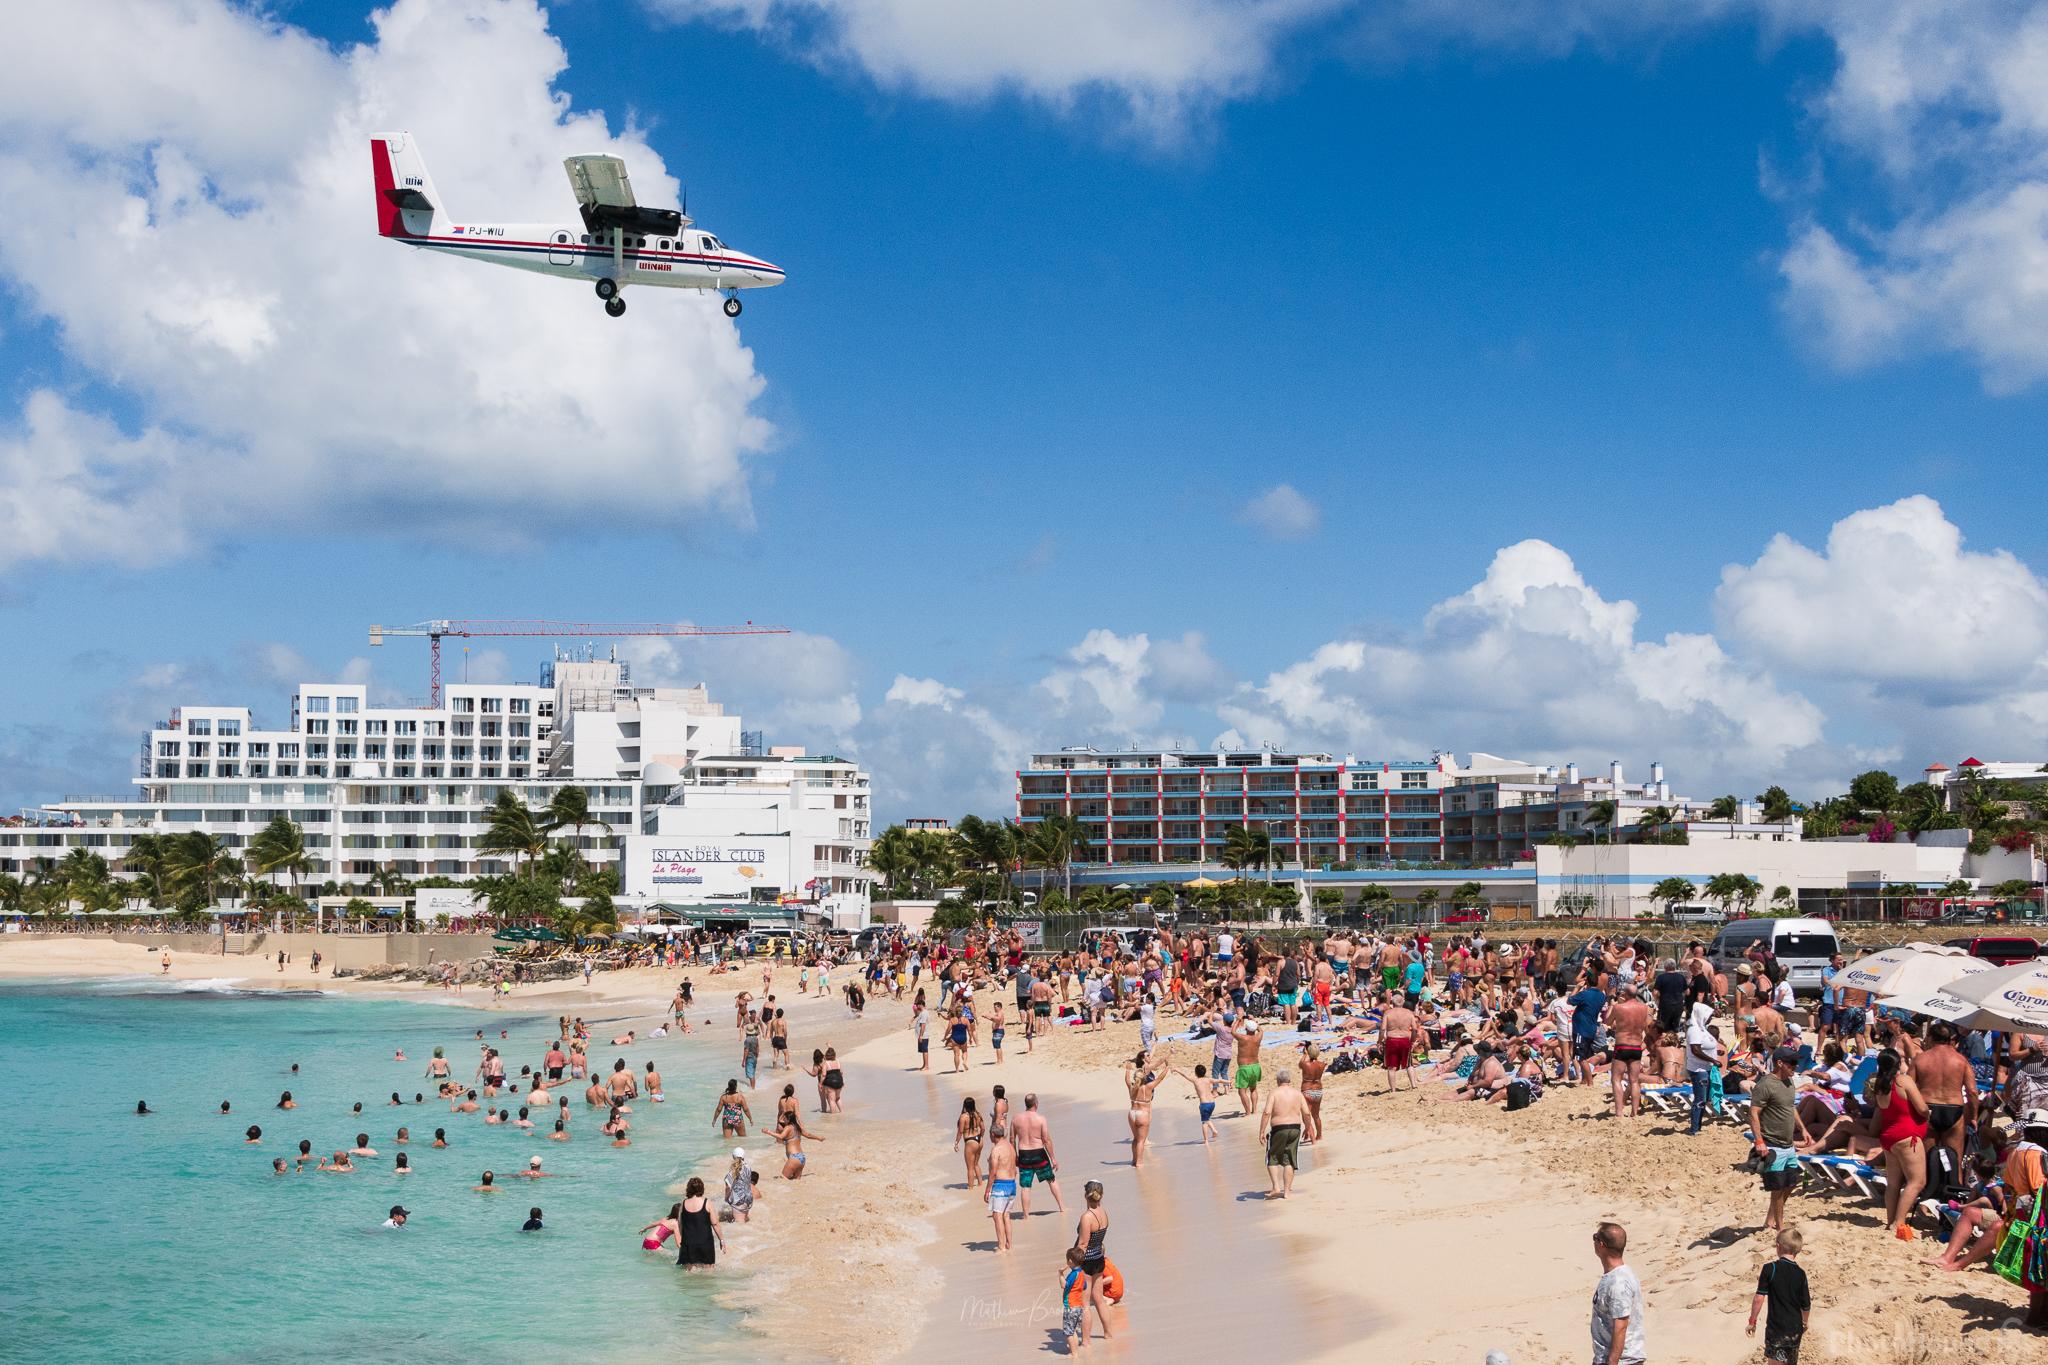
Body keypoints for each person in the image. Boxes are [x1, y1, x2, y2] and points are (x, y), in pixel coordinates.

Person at [1866, 1049, 1929, 1237]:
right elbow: (1922, 1107)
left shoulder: (1879, 1085)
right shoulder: (1903, 1081)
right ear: (1896, 1063)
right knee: (1917, 1181)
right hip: (1907, 1135)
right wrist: (1928, 1114)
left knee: (1893, 1183)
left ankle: (1890, 1221)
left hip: (1889, 1137)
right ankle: (1898, 1223)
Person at [1748, 1047, 1803, 1232]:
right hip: (1773, 1144)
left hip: (1788, 1144)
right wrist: (1759, 1142)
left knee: (1791, 1184)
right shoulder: (1766, 1084)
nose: (1795, 1066)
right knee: (1778, 1189)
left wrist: (1803, 1129)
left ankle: (1770, 1219)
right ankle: (1780, 1227)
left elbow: (1790, 1107)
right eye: (1792, 1063)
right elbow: (1754, 1113)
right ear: (1780, 1063)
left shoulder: (1789, 1082)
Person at [1747, 1227, 1810, 1364]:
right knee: (1790, 1362)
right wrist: (1804, 1322)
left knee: (1775, 1362)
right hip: (1795, 1328)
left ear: (1778, 1247)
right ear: (1797, 1250)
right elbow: (1806, 1305)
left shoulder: (1771, 1269)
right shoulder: (1801, 1273)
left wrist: (1752, 1321)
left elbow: (1759, 1298)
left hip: (1777, 1329)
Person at [1589, 1221, 1645, 1365]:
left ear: (1601, 1244)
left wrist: (1612, 1362)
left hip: (1621, 1361)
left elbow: (1621, 1325)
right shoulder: (1620, 1275)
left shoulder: (1618, 1282)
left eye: (1595, 1237)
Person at [1072, 1180, 1113, 1344]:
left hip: (1087, 1262)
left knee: (1085, 1304)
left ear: (1085, 1195)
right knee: (1099, 1299)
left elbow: (1082, 1244)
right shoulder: (1103, 1213)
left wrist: (1071, 1263)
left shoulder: (1086, 1217)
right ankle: (1108, 1333)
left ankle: (1086, 1341)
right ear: (1100, 1195)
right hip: (1099, 1258)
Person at [1012, 1093, 1065, 1216]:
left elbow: (1011, 1139)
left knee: (1025, 1187)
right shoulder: (1041, 1119)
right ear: (1036, 1104)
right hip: (1038, 1153)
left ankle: (1026, 1216)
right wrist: (1053, 1159)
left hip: (1024, 1154)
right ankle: (1062, 1207)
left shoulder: (1016, 1118)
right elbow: (1046, 1140)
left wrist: (1015, 1157)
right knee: (1051, 1180)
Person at [1261, 1069, 1306, 1199]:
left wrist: (1262, 1131)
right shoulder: (1297, 1094)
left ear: (1278, 1081)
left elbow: (1267, 1112)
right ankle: (1286, 1192)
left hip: (1279, 1128)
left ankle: (1276, 1187)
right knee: (1289, 1159)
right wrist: (1308, 1127)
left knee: (1272, 1156)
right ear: (1289, 1081)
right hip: (1295, 1128)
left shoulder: (1274, 1093)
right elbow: (1306, 1112)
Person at [985, 1123, 1018, 1253]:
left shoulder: (996, 1150)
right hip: (1012, 1184)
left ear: (993, 1134)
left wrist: (987, 1190)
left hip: (1000, 1185)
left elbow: (993, 1172)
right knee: (1006, 1215)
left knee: (997, 1215)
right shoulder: (1010, 1146)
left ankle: (1001, 1246)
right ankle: (1009, 1243)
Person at [676, 1176, 722, 1270]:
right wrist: (721, 1239)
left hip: (688, 1243)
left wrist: (683, 1240)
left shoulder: (683, 1203)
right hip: (705, 1243)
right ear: (702, 1188)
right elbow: (715, 1223)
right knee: (708, 1270)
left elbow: (680, 1224)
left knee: (688, 1272)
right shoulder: (706, 1202)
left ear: (688, 1188)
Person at [1060, 1247, 1089, 1353]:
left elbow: (1064, 1285)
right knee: (1074, 1331)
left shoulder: (1073, 1274)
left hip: (1070, 1306)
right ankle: (1075, 1351)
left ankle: (1074, 1354)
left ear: (1070, 1261)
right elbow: (1084, 1286)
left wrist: (1060, 1274)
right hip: (1079, 1307)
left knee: (1069, 1332)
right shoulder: (1081, 1273)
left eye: (1067, 1260)